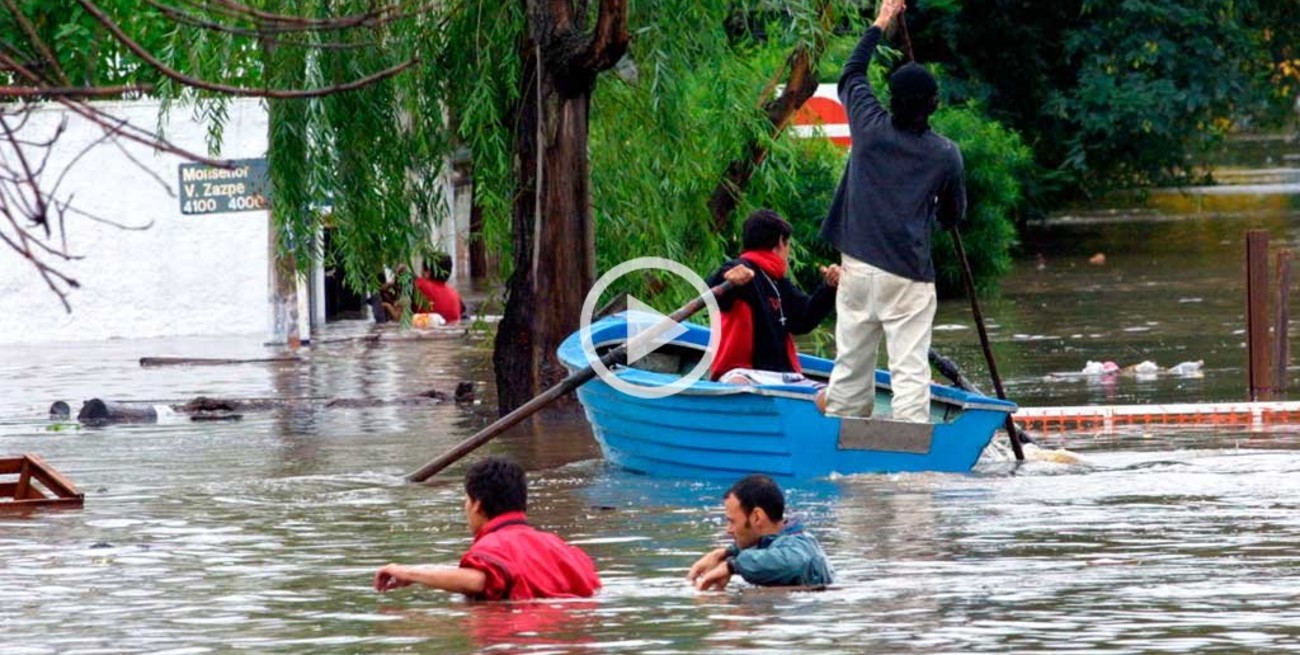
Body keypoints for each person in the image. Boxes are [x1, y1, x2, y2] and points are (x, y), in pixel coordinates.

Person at [817, 0, 967, 422]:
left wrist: (881, 22)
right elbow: (953, 216)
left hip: (857, 268)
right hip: (908, 274)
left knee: (850, 367)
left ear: (893, 100)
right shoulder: (945, 155)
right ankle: (909, 463)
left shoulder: (868, 125)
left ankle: (846, 441)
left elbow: (851, 72)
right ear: (933, 105)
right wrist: (928, 220)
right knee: (909, 370)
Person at [373, 456, 601, 600]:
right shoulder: (561, 547)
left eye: (466, 500)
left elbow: (477, 581)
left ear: (478, 505)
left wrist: (410, 573)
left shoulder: (493, 547)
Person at [706, 209, 839, 384]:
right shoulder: (739, 269)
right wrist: (727, 279)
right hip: (741, 372)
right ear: (781, 242)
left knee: (828, 398)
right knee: (739, 384)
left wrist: (829, 288)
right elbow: (712, 294)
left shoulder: (779, 282)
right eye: (788, 244)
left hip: (782, 374)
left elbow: (803, 320)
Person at [687, 474, 834, 590]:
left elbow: (791, 562)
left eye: (732, 521)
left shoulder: (797, 547)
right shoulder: (782, 541)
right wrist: (724, 553)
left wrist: (731, 566)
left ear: (757, 517)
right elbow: (766, 551)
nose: (728, 530)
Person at [413, 253, 465, 324]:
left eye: (422, 270)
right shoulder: (455, 294)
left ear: (427, 273)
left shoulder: (421, 285)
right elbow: (462, 309)